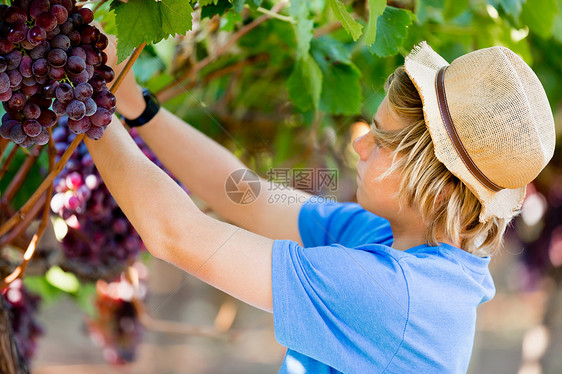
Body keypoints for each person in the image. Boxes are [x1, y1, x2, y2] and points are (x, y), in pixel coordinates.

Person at [84, 40, 555, 373]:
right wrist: (131, 103)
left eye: (382, 141)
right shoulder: (391, 239)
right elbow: (245, 193)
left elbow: (176, 235)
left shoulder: (389, 295)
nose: (361, 144)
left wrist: (84, 99)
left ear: (431, 185)